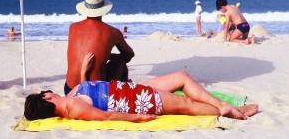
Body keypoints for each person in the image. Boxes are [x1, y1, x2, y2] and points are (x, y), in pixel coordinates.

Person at [24, 52, 259, 122]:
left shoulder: (72, 96)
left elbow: (87, 90)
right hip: (139, 100)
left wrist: (84, 73)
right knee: (186, 104)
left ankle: (222, 105)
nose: (48, 91)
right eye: (46, 92)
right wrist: (137, 118)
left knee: (182, 76)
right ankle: (225, 111)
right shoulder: (72, 108)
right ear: (47, 98)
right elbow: (106, 116)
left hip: (133, 89)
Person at [65, 0, 135, 96]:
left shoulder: (72, 27)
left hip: (69, 90)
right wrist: (107, 55)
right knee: (121, 63)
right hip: (94, 93)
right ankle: (122, 95)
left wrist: (105, 55)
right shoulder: (113, 32)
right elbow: (129, 55)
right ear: (103, 8)